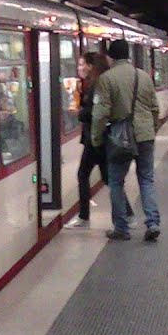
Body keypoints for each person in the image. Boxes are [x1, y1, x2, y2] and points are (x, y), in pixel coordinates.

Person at [90, 39, 161, 241]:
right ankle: (153, 222)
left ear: (111, 57)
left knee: (116, 182)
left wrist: (96, 139)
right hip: (145, 135)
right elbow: (155, 108)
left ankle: (121, 227)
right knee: (146, 179)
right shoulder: (144, 76)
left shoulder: (106, 79)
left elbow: (100, 113)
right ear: (129, 54)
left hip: (121, 137)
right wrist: (151, 129)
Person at [66, 51, 134, 228]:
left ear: (90, 66)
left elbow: (94, 112)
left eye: (82, 64)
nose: (79, 68)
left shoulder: (98, 84)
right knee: (107, 178)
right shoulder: (94, 83)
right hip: (97, 138)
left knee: (87, 175)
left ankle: (85, 217)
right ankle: (127, 214)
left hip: (96, 139)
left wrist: (79, 112)